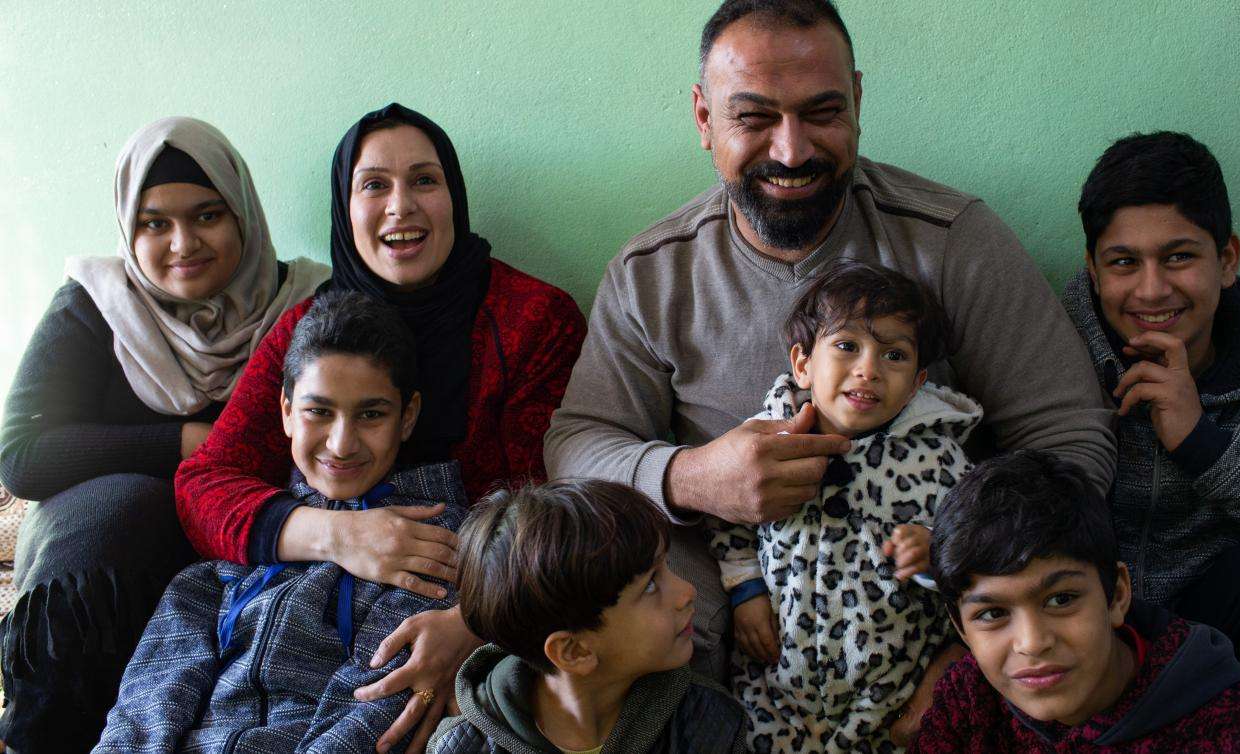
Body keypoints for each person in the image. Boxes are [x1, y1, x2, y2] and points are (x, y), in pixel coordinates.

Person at [543, 0, 1115, 737]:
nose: (791, 150)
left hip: (922, 617)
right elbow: (578, 444)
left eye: (822, 112)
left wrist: (974, 617)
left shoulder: (951, 240)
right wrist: (692, 478)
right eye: (753, 118)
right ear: (702, 116)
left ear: (858, 103)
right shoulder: (653, 273)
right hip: (722, 628)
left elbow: (1071, 438)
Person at [175, 103, 586, 753]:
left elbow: (555, 508)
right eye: (374, 185)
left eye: (424, 181)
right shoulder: (310, 330)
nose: (401, 206)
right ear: (345, 205)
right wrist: (339, 535)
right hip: (310, 602)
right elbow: (204, 484)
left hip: (469, 600)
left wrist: (473, 623)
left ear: (454, 197)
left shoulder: (533, 320)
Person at [0, 116, 328, 752]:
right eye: (155, 223)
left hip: (244, 534)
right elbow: (21, 455)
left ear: (243, 214)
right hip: (102, 559)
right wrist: (185, 443)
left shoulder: (304, 303)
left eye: (207, 215)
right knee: (112, 517)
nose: (183, 243)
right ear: (130, 227)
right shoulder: (95, 304)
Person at [1060, 131, 1240, 749]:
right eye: (1124, 262)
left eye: (1179, 256)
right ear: (1093, 268)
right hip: (1075, 635)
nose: (1153, 291)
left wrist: (1202, 443)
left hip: (1224, 642)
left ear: (1228, 259)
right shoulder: (1045, 362)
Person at [98, 291, 469, 752]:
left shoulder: (433, 544)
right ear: (287, 412)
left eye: (371, 414)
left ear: (407, 417)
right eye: (318, 411)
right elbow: (147, 698)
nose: (341, 444)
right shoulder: (242, 540)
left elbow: (370, 713)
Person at [707, 261, 979, 752]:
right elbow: (729, 523)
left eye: (894, 355)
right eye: (848, 346)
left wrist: (938, 552)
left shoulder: (938, 458)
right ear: (803, 364)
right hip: (776, 682)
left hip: (890, 684)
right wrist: (744, 592)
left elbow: (984, 554)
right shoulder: (767, 438)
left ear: (917, 383)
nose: (868, 369)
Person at [913, 450, 1240, 753]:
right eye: (993, 613)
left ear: (1117, 594)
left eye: (1061, 599)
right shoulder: (969, 699)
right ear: (961, 627)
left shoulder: (1235, 736)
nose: (1032, 643)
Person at [428, 479, 747, 754]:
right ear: (574, 651)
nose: (687, 591)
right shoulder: (461, 746)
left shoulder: (709, 726)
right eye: (650, 585)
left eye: (666, 567)